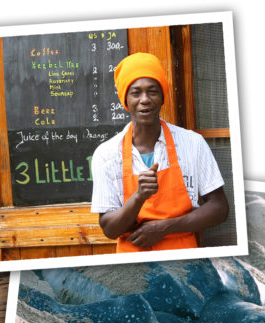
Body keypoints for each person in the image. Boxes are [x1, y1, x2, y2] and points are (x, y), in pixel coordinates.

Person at [91, 52, 229, 252]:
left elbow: (219, 208)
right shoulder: (106, 155)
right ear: (125, 100)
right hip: (134, 268)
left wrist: (164, 228)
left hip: (185, 262)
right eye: (136, 93)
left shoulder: (192, 143)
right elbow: (110, 230)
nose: (144, 100)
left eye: (152, 91)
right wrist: (139, 196)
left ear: (163, 96)